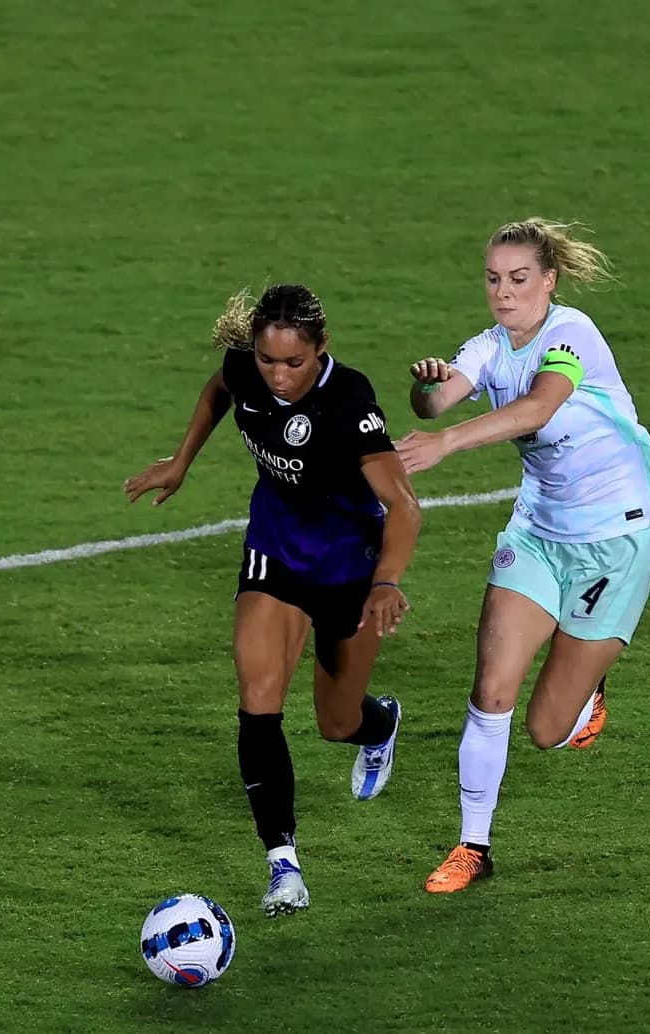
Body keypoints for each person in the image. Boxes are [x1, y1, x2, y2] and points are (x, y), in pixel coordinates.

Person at [396, 218, 650, 892]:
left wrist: (447, 445)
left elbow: (540, 409)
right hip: (539, 533)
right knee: (490, 689)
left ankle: (587, 685)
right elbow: (435, 401)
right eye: (493, 279)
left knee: (548, 729)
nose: (504, 292)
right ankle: (473, 846)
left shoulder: (569, 335)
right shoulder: (490, 346)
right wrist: (426, 388)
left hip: (616, 532)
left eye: (519, 279)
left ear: (548, 281)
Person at [125, 284, 422, 916]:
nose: (279, 376)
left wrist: (388, 581)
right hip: (276, 554)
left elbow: (402, 504)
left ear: (322, 349)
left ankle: (381, 723)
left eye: (294, 363)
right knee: (258, 705)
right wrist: (181, 463)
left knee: (336, 721)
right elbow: (219, 389)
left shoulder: (349, 402)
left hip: (349, 569)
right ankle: (283, 866)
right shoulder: (246, 370)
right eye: (267, 361)